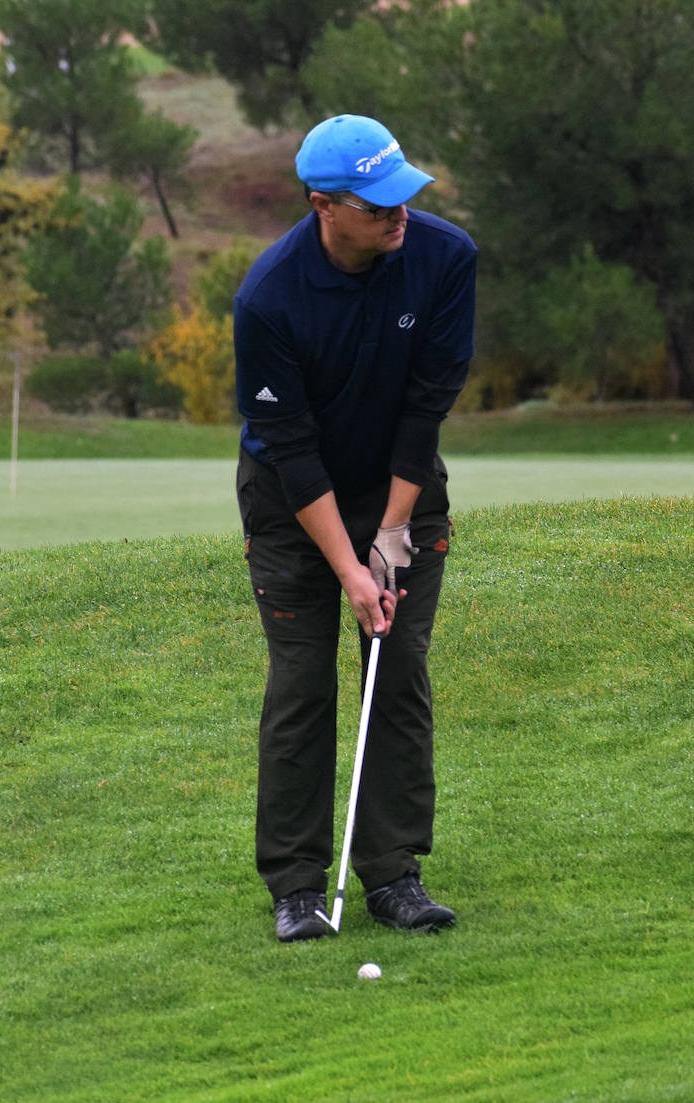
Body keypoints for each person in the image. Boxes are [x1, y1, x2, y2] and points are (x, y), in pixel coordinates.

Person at [233, 114, 476, 942]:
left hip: (398, 486)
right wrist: (350, 565)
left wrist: (393, 533)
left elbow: (426, 409)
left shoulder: (445, 259)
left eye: (401, 198)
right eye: (376, 207)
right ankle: (297, 886)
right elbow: (291, 452)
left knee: (395, 669)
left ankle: (394, 873)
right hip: (290, 501)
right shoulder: (268, 298)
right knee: (302, 684)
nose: (396, 216)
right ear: (323, 206)